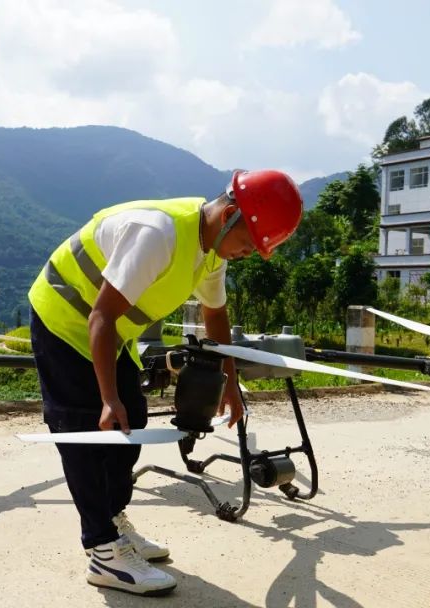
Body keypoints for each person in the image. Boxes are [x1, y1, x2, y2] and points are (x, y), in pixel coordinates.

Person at [27, 170, 303, 595]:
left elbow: (216, 316)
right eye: (249, 243)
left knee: (132, 420)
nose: (248, 254)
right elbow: (100, 315)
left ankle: (114, 523)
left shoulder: (211, 249)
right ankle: (103, 551)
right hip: (65, 320)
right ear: (229, 215)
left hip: (109, 333)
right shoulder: (159, 234)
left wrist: (230, 383)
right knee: (87, 433)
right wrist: (105, 398)